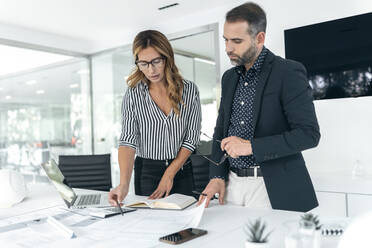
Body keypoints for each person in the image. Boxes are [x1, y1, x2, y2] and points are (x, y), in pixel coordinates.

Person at [198, 2, 320, 212]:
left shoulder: (288, 72)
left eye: (236, 41)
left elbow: (308, 134)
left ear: (259, 38)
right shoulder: (228, 78)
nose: (228, 48)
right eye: (226, 40)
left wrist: (251, 146)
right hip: (232, 185)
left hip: (272, 187)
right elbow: (221, 130)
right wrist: (216, 176)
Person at [108, 30, 201, 206]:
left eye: (156, 61)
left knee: (184, 224)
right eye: (143, 63)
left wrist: (170, 173)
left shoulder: (189, 90)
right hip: (147, 172)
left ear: (167, 57)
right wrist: (123, 184)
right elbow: (128, 139)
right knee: (151, 224)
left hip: (182, 169)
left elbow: (192, 137)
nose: (151, 70)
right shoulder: (134, 93)